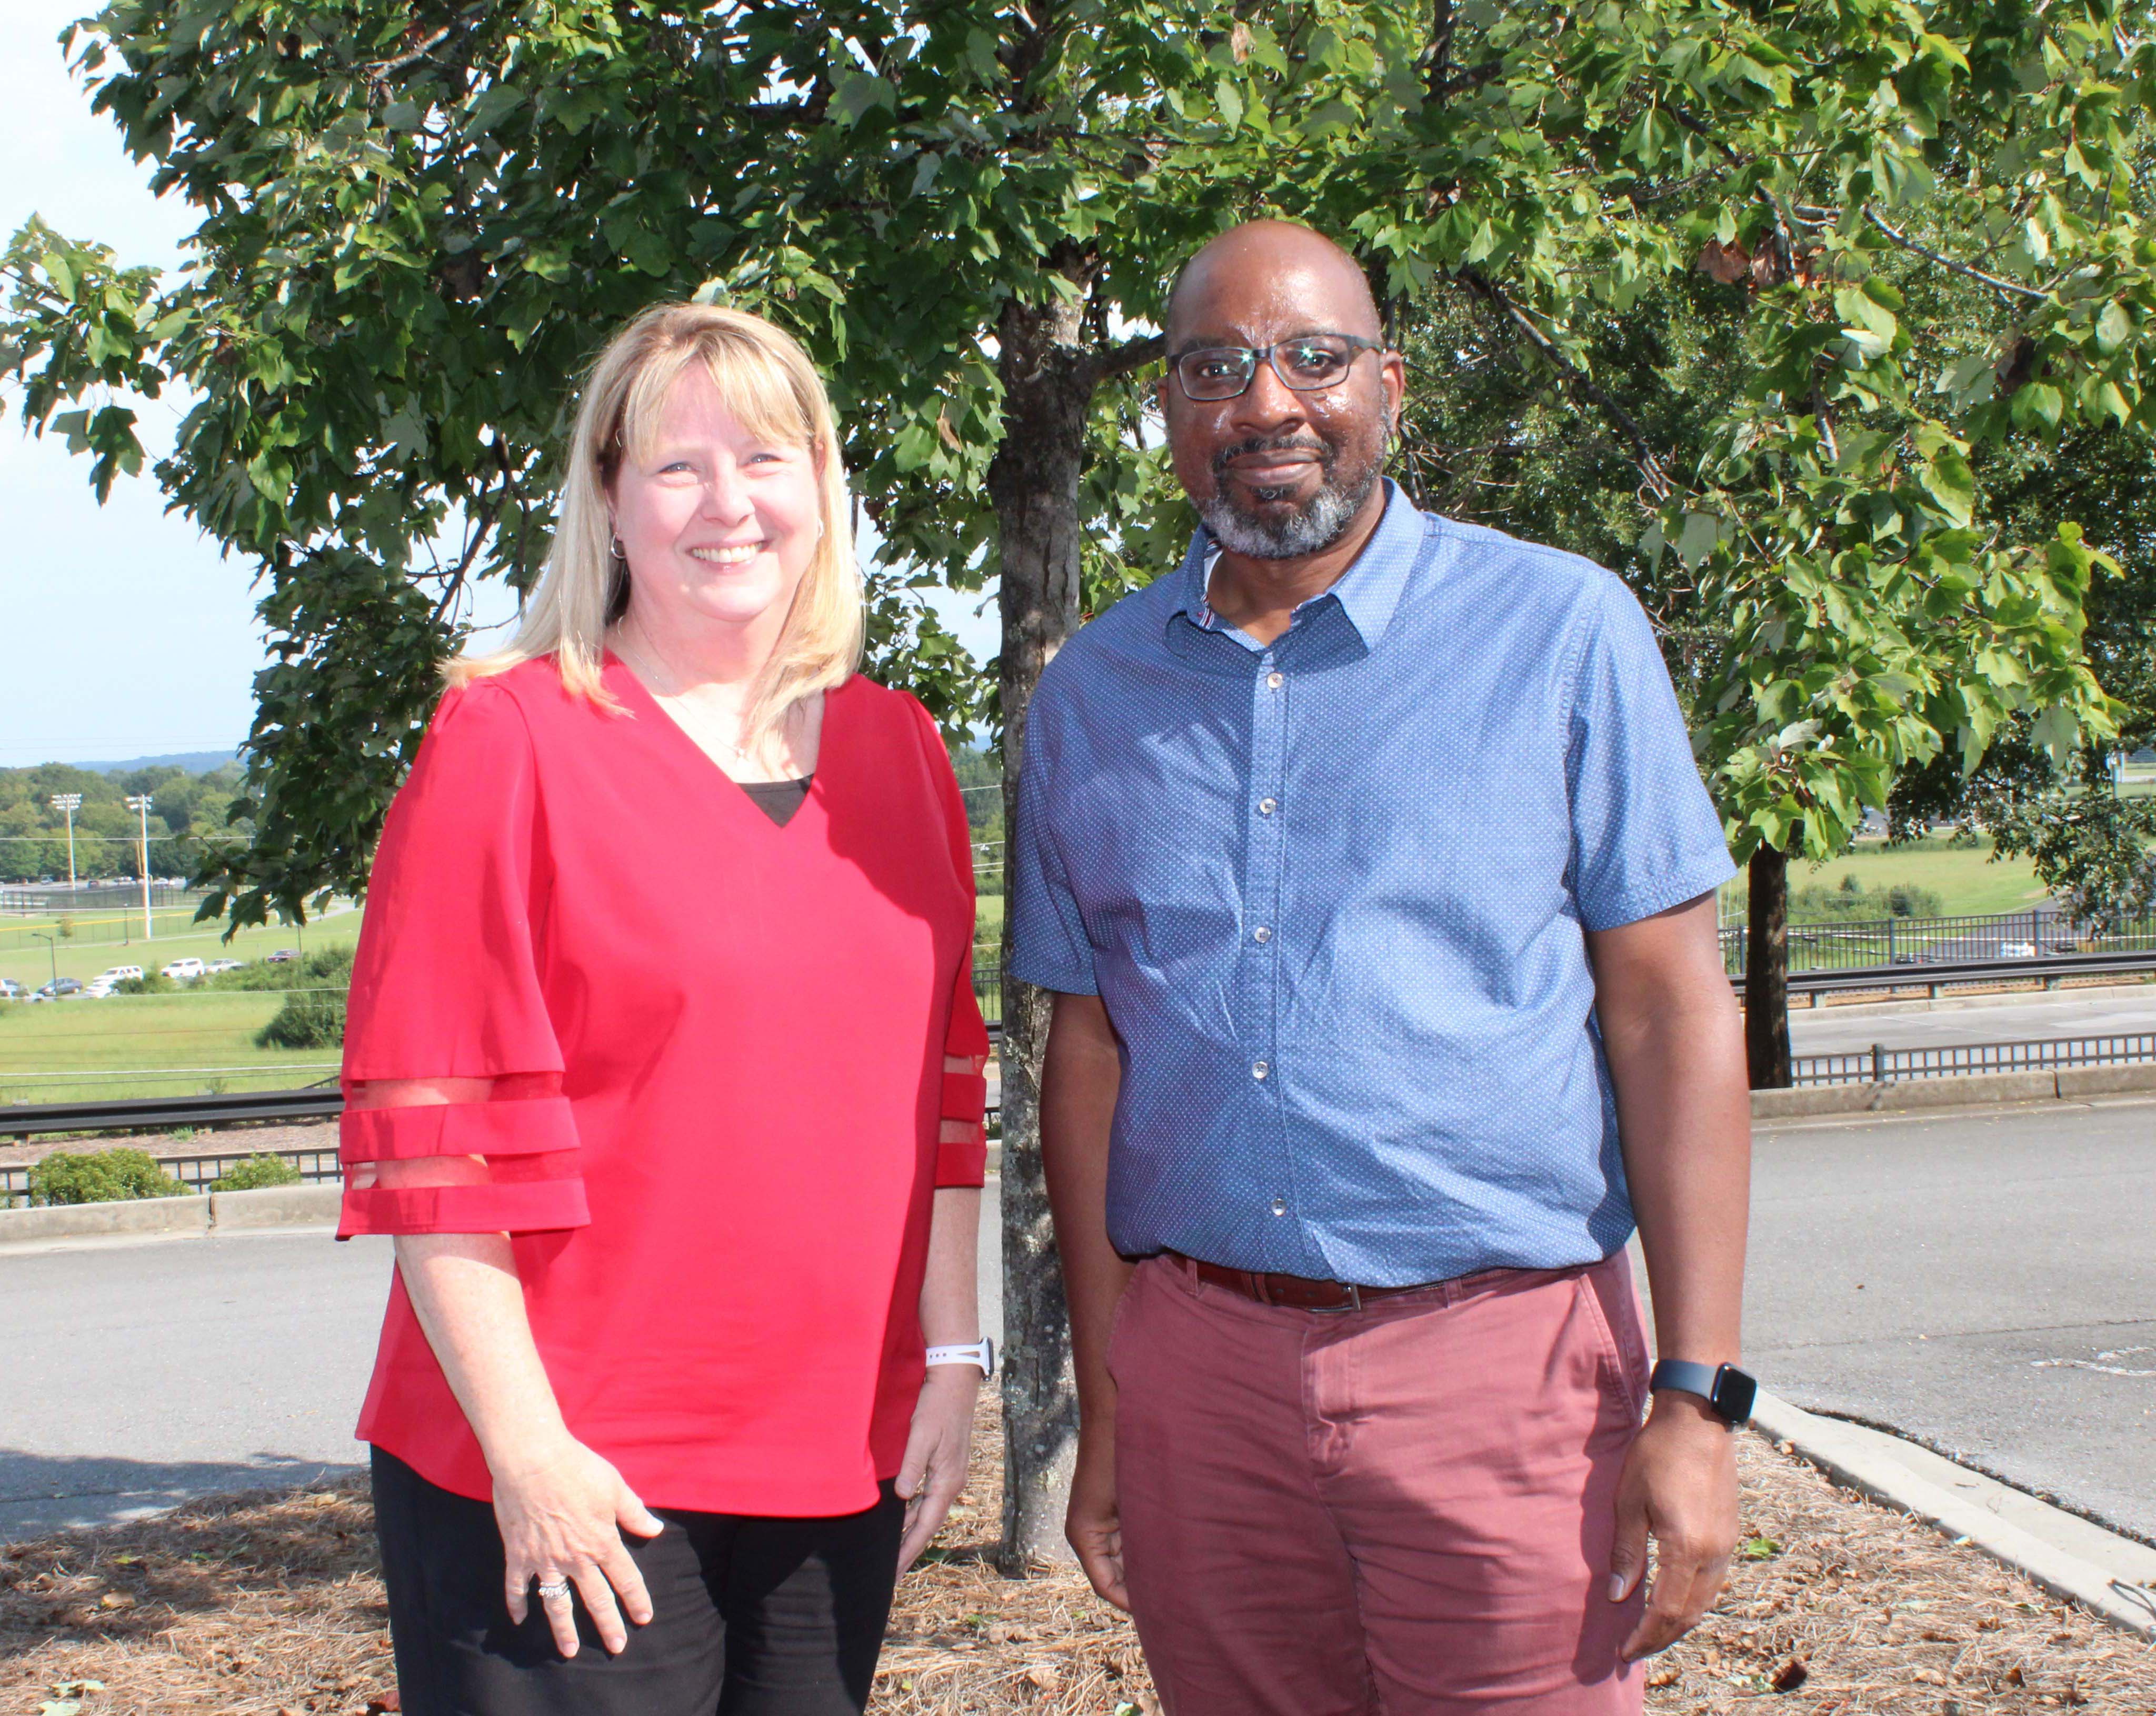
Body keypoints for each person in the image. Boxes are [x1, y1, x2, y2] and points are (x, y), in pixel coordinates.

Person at [1008, 220, 1755, 1714]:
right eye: (1215, 368)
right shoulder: (1092, 694)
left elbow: (1673, 1015)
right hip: (1202, 1382)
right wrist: (1112, 1402)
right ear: (1168, 411)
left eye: (1312, 357)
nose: (1267, 403)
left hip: (1504, 1375)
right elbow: (1086, 1054)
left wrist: (1698, 1396)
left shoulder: (1559, 630)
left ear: (1390, 386)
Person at [335, 301, 994, 1716]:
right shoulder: (505, 741)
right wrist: (529, 1456)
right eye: (676, 467)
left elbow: (942, 1088)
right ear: (609, 499)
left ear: (822, 483)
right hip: (575, 1464)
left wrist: (951, 1355)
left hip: (835, 1448)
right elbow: (431, 1151)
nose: (727, 504)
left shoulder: (903, 751)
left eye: (765, 457)